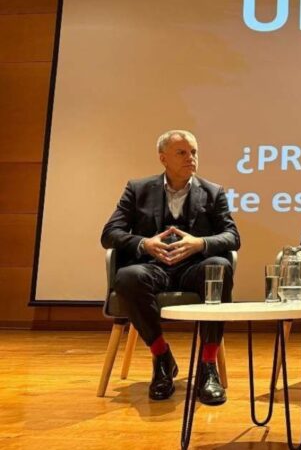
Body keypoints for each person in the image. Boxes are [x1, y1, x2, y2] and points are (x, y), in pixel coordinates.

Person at [101, 130, 240, 404]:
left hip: (193, 269)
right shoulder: (138, 189)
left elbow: (232, 236)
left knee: (219, 268)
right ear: (163, 158)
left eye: (194, 152)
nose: (191, 158)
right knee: (128, 276)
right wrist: (145, 244)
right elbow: (110, 233)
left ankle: (207, 367)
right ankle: (161, 356)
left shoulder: (213, 192)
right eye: (182, 152)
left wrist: (199, 243)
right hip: (153, 268)